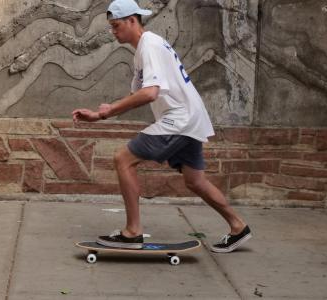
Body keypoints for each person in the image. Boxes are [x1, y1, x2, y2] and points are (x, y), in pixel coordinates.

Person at [72, 0, 251, 253]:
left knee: (123, 159)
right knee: (195, 181)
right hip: (189, 118)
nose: (113, 31)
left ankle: (132, 232)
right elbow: (140, 95)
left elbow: (150, 93)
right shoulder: (145, 49)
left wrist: (108, 111)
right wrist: (102, 113)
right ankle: (238, 226)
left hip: (179, 119)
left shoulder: (150, 45)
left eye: (116, 25)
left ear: (132, 20)